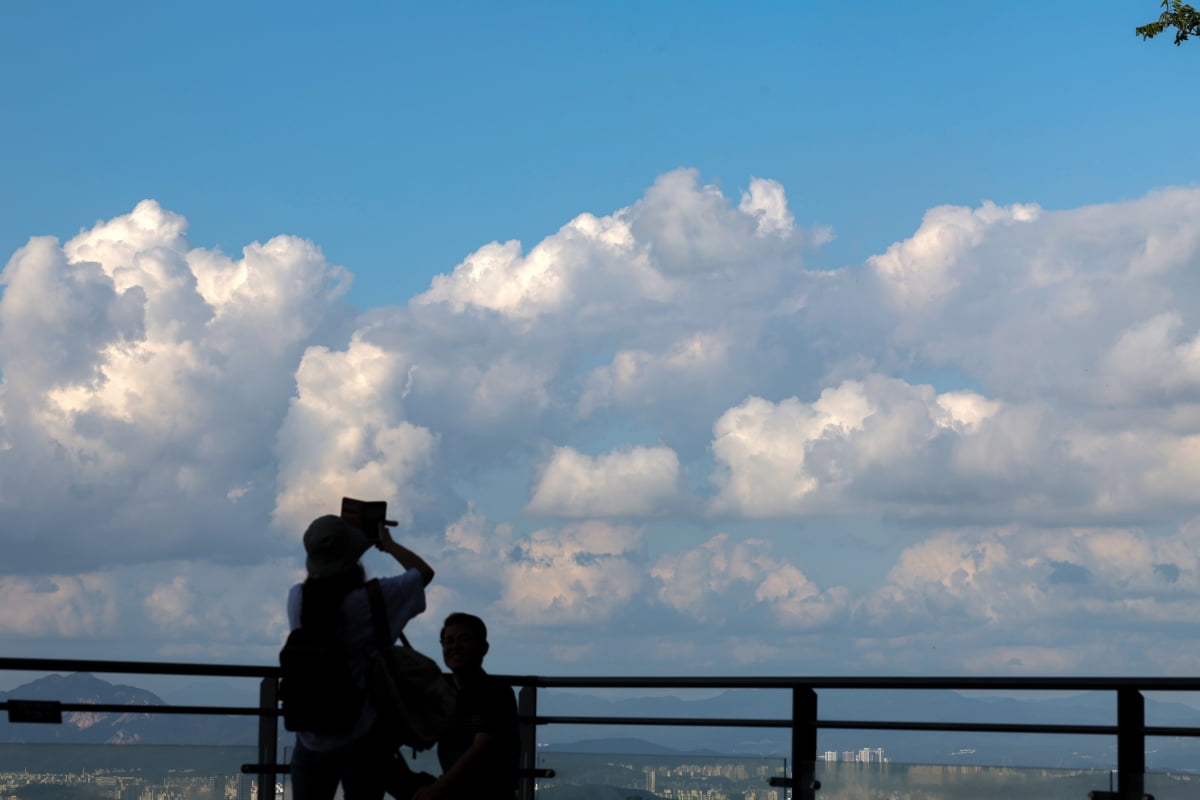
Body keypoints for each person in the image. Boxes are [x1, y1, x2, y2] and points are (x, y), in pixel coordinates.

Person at [288, 513, 435, 800]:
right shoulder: (373, 599)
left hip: (310, 732)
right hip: (362, 732)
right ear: (351, 557)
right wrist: (386, 544)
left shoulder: (298, 598)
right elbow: (423, 572)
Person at [410, 613, 519, 800]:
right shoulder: (440, 690)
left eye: (464, 640)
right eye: (448, 641)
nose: (455, 647)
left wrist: (437, 788)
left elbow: (480, 751)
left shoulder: (497, 692)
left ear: (483, 648)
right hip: (451, 789)